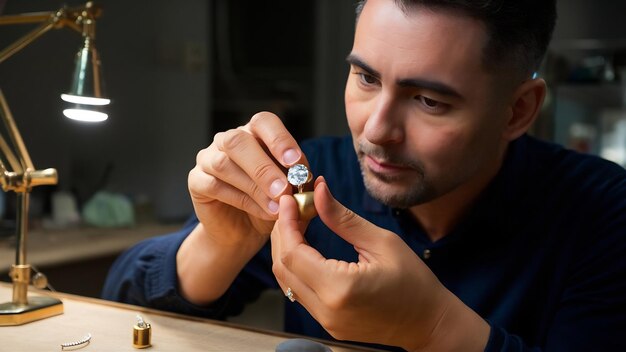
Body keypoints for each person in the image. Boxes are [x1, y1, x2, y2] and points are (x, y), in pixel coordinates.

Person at [102, 0, 626, 351]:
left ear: (517, 111)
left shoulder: (605, 212)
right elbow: (121, 309)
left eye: (429, 100)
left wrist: (435, 328)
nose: (376, 131)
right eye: (365, 77)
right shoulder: (316, 175)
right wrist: (218, 245)